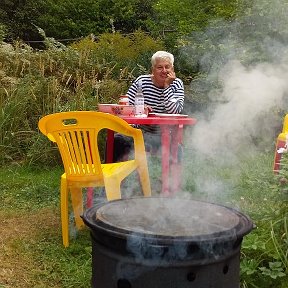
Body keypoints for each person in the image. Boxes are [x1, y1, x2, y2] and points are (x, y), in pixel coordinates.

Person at [113, 50, 185, 161]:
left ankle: (167, 179)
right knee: (117, 140)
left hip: (164, 135)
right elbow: (125, 108)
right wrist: (139, 108)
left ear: (172, 69)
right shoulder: (142, 81)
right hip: (140, 133)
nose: (164, 71)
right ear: (153, 69)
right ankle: (114, 176)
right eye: (159, 67)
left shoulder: (177, 83)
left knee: (177, 149)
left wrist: (167, 86)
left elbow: (174, 111)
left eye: (167, 67)